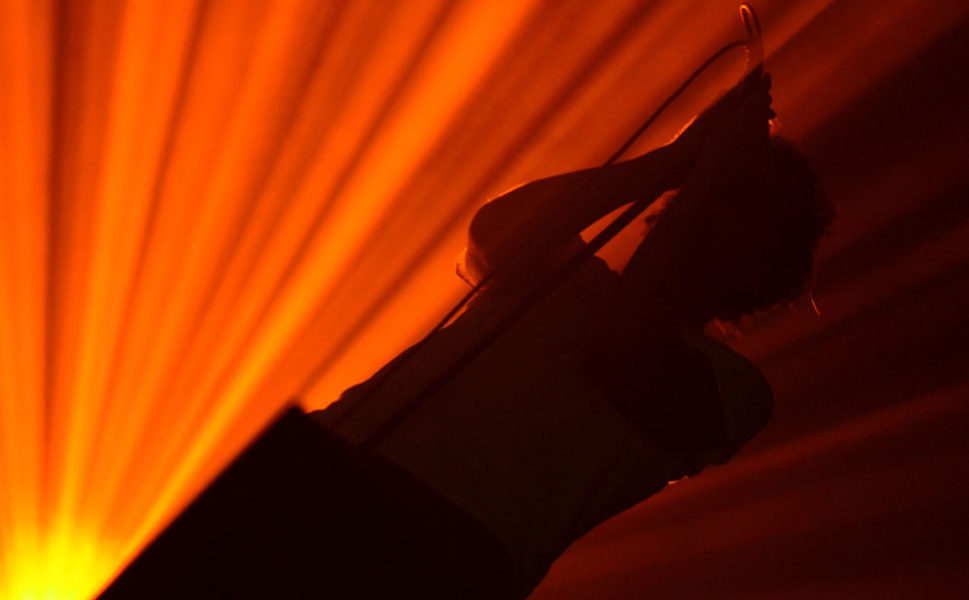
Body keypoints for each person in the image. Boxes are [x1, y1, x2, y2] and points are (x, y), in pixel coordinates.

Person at [303, 71, 831, 599]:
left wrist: (707, 175)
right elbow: (497, 226)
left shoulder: (737, 392)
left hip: (436, 559)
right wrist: (673, 159)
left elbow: (624, 343)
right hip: (330, 458)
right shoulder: (569, 275)